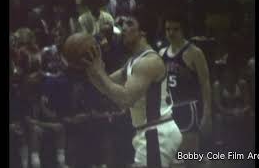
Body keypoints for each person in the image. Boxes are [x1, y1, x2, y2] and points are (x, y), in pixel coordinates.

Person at [82, 11, 182, 168]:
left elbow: (125, 99)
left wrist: (99, 72)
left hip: (156, 132)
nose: (123, 29)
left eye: (130, 24)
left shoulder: (148, 62)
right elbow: (106, 86)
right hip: (151, 132)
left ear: (143, 32)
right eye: (123, 24)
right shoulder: (133, 61)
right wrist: (91, 67)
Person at [159, 12, 212, 167]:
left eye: (176, 29)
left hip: (188, 109)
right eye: (168, 29)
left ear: (183, 30)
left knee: (190, 158)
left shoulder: (194, 52)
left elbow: (205, 83)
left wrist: (207, 112)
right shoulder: (161, 53)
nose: (171, 33)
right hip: (168, 110)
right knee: (173, 161)